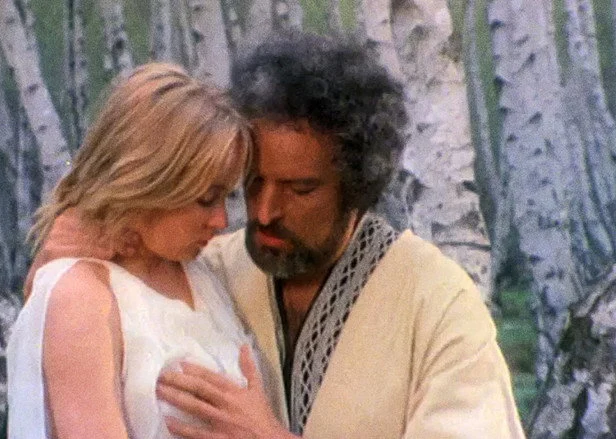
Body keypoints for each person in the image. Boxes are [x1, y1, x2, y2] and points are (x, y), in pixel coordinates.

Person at [29, 33, 525, 438]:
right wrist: (74, 241)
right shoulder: (206, 265)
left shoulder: (437, 304)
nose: (263, 213)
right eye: (251, 183)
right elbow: (60, 300)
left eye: (300, 189)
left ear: (357, 187)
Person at [6, 63, 286, 438]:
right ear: (146, 182)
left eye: (227, 196)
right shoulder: (81, 294)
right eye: (205, 199)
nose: (221, 220)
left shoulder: (198, 271)